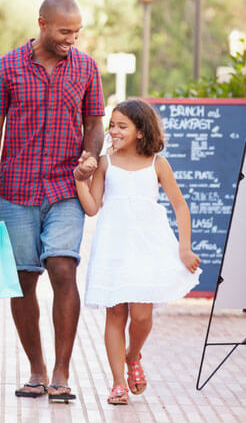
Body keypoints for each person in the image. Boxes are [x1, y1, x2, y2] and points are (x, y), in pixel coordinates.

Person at [0, 0, 105, 402]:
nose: (73, 38)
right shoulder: (6, 67)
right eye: (65, 31)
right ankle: (37, 369)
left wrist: (90, 156)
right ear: (42, 24)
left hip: (66, 186)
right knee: (24, 280)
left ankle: (62, 373)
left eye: (77, 31)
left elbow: (95, 123)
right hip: (17, 189)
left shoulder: (86, 67)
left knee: (63, 268)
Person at [74, 99, 201, 405]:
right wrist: (80, 180)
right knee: (115, 313)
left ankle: (133, 356)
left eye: (122, 126)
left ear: (141, 131)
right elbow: (92, 208)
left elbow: (180, 206)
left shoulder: (158, 163)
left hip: (148, 245)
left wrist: (185, 247)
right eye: (112, 125)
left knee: (141, 315)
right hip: (113, 245)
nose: (114, 131)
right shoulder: (105, 163)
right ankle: (118, 383)